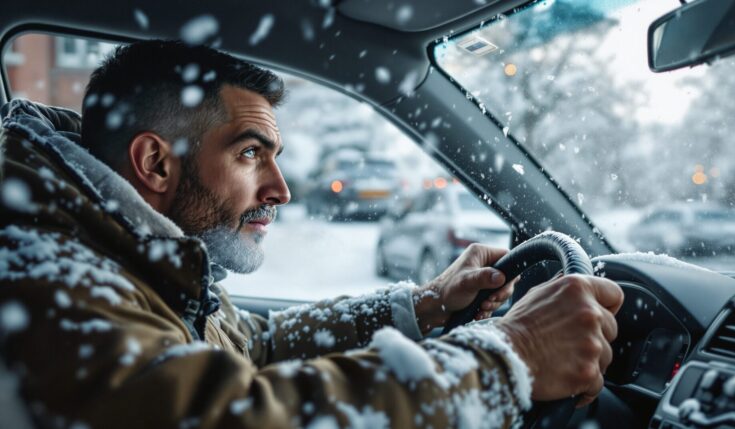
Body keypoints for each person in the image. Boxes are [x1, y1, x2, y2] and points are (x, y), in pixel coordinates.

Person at [0, 40, 623, 428]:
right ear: (156, 163)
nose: (281, 188)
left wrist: (422, 306)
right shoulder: (44, 267)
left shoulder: (130, 252)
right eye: (250, 154)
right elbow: (213, 417)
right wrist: (510, 356)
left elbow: (253, 345)